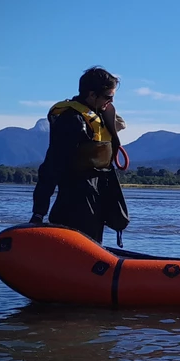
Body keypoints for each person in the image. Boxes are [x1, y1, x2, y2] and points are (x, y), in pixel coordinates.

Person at [30, 66, 129, 244]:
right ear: (92, 95)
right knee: (76, 244)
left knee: (93, 243)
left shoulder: (98, 116)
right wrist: (39, 212)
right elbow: (52, 166)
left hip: (97, 195)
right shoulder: (72, 120)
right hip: (74, 201)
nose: (111, 101)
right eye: (108, 96)